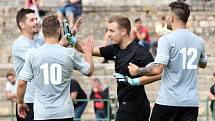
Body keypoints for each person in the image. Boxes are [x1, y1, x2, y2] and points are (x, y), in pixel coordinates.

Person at [117, 2, 207, 121]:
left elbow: (157, 69)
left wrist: (138, 70)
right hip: (191, 104)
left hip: (169, 101)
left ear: (172, 18)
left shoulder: (167, 39)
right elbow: (203, 63)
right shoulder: (198, 40)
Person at [73, 15, 159, 121]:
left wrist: (135, 81)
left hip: (136, 108)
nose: (108, 34)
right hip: (124, 106)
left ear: (123, 31)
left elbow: (158, 73)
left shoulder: (139, 51)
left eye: (111, 31)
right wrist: (71, 38)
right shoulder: (115, 49)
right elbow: (86, 49)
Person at [17, 15, 94, 121]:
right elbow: (89, 71)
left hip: (42, 114)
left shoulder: (33, 54)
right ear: (59, 31)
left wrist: (20, 102)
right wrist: (88, 52)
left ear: (43, 32)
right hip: (64, 113)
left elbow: (21, 83)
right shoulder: (69, 53)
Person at [12, 8, 44, 121]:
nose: (36, 22)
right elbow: (40, 60)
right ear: (22, 25)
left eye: (36, 19)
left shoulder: (40, 40)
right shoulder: (20, 44)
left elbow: (56, 48)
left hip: (42, 101)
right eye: (32, 20)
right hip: (28, 103)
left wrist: (71, 35)